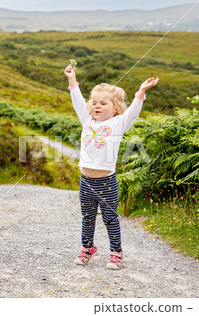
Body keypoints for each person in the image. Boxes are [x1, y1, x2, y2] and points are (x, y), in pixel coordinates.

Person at [64, 64, 158, 269]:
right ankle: (87, 248)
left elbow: (133, 112)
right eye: (94, 102)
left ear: (115, 108)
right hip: (85, 181)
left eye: (103, 103)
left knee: (110, 219)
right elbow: (77, 101)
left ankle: (116, 252)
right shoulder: (86, 119)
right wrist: (72, 80)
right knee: (87, 218)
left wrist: (140, 93)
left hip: (106, 182)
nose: (96, 106)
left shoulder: (118, 123)